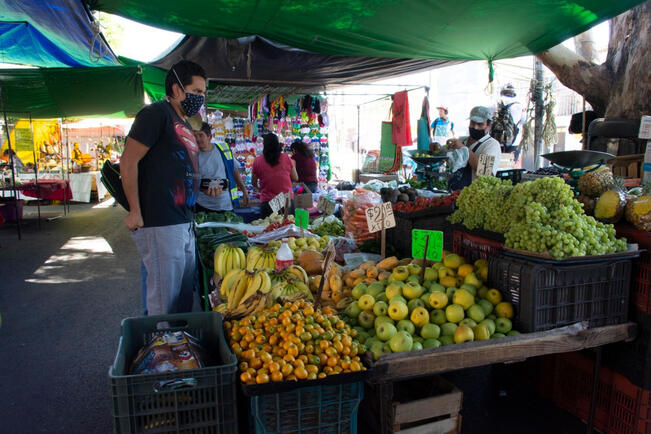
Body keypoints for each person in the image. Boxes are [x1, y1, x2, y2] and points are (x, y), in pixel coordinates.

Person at [121, 60, 207, 316]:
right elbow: (128, 161)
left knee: (182, 299)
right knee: (163, 305)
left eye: (203, 93)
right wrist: (134, 210)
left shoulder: (185, 123)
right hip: (161, 222)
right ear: (177, 89)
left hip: (184, 221)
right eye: (197, 91)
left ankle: (179, 350)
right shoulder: (156, 114)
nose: (200, 98)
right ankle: (161, 353)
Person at [194, 122, 249, 212]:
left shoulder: (224, 149)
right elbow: (189, 176)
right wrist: (203, 186)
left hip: (226, 205)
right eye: (195, 135)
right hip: (202, 206)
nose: (197, 139)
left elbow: (234, 170)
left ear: (210, 137)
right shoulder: (192, 155)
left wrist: (243, 189)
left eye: (201, 135)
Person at [447, 106, 502, 190]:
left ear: (489, 125)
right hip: (454, 192)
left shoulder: (491, 145)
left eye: (480, 124)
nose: (475, 127)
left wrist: (464, 149)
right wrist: (438, 148)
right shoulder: (462, 140)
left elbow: (485, 171)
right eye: (472, 123)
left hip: (473, 195)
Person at [252, 133, 298, 218]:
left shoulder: (257, 161)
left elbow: (253, 182)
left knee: (269, 228)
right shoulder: (286, 158)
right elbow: (295, 177)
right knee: (287, 228)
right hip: (285, 199)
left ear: (264, 145)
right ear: (277, 144)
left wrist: (260, 189)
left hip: (267, 201)